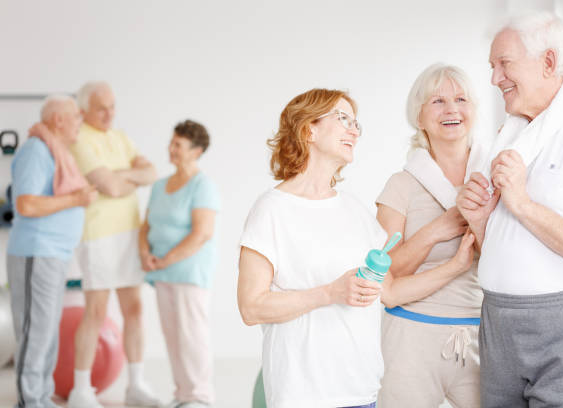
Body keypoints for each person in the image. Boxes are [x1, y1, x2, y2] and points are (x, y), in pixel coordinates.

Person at [456, 11, 563, 407]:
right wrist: (480, 220)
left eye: (504, 63)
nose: (494, 79)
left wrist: (521, 203)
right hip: (498, 323)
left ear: (548, 62)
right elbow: (507, 246)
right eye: (492, 66)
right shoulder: (509, 136)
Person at [238, 88, 387, 408]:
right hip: (303, 395)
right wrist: (329, 293)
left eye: (356, 124)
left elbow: (388, 290)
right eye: (343, 119)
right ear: (308, 129)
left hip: (361, 391)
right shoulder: (271, 210)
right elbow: (251, 308)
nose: (354, 130)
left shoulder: (356, 211)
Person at [376, 64, 482, 407]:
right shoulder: (401, 186)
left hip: (482, 338)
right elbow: (386, 273)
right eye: (437, 101)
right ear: (419, 117)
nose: (451, 109)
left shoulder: (493, 177)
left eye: (460, 99)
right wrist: (436, 230)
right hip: (411, 338)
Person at [67, 81, 159, 408]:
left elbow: (151, 173)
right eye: (101, 108)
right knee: (96, 311)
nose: (109, 113)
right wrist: (128, 176)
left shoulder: (120, 138)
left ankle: (135, 385)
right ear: (83, 110)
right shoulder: (79, 140)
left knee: (134, 309)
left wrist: (124, 177)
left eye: (112, 106)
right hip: (99, 236)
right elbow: (110, 186)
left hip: (130, 234)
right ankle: (81, 391)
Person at [7, 95, 97, 408]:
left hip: (52, 254)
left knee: (46, 333)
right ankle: (31, 401)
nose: (80, 123)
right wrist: (76, 200)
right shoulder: (35, 150)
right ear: (58, 119)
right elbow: (26, 204)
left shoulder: (54, 152)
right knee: (36, 333)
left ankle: (40, 398)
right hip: (36, 252)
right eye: (76, 116)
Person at [139, 120, 220, 408]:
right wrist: (145, 253)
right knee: (173, 336)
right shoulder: (160, 185)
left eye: (179, 145)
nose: (171, 149)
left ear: (196, 151)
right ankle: (183, 394)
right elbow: (145, 226)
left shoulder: (202, 185)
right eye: (171, 142)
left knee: (192, 336)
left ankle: (199, 396)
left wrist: (166, 259)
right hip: (162, 272)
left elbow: (202, 233)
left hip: (188, 272)